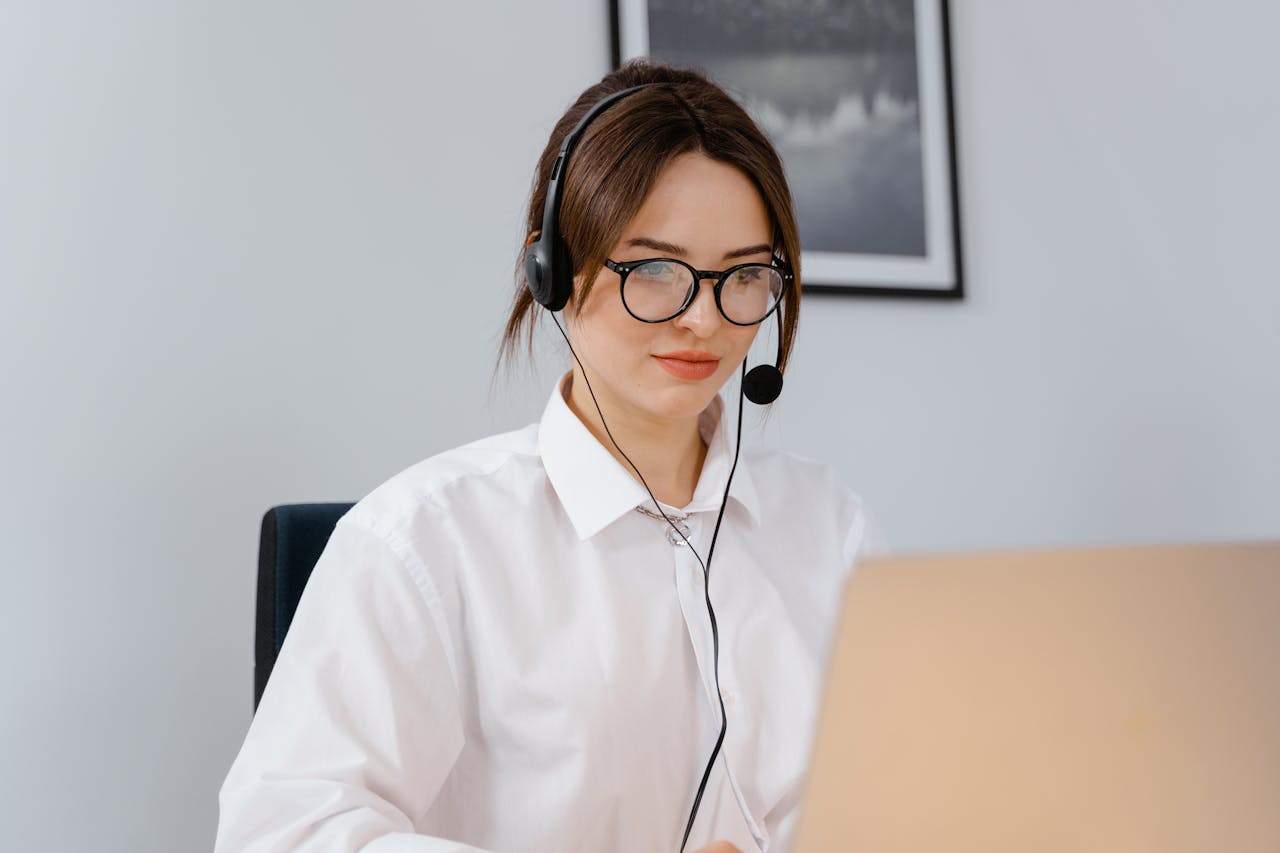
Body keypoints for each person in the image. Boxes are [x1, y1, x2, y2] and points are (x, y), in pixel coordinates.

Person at [215, 61, 880, 853]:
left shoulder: (827, 523)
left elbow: (908, 787)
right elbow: (284, 834)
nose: (704, 318)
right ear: (553, 271)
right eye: (656, 270)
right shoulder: (421, 540)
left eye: (743, 275)